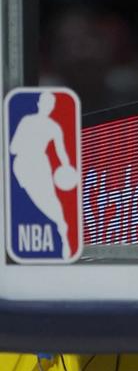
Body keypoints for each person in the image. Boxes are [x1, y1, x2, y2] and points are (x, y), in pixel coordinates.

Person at [9, 90, 75, 258]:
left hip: (40, 164)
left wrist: (67, 169)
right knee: (26, 201)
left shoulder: (54, 127)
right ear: (39, 104)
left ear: (52, 107)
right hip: (23, 165)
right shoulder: (27, 121)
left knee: (51, 201)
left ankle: (63, 236)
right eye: (45, 103)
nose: (47, 107)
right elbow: (13, 148)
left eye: (50, 104)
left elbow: (62, 153)